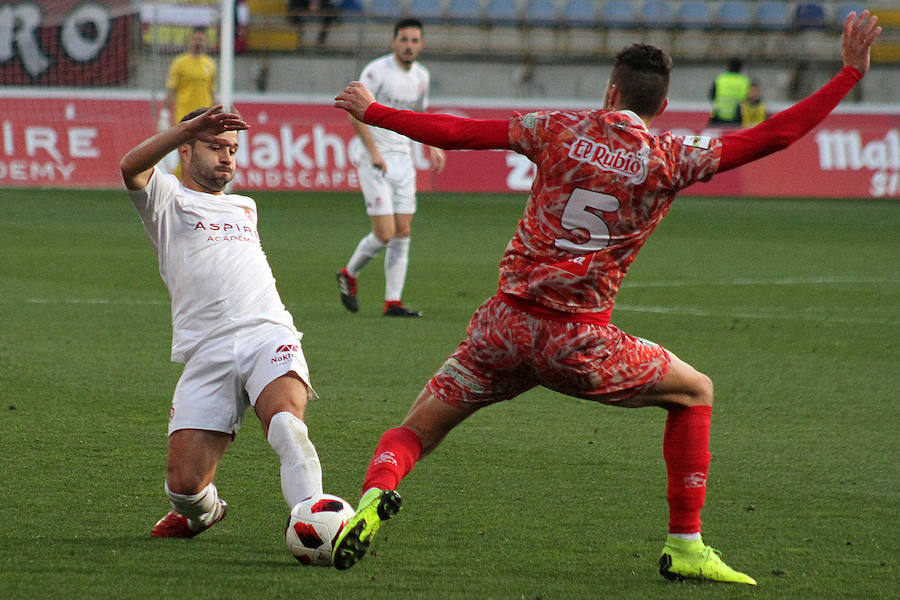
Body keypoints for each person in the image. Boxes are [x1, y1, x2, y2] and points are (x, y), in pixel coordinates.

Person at [330, 11, 881, 583]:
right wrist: (847, 74)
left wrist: (374, 112)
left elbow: (462, 133)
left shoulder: (556, 129)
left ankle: (374, 495)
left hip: (503, 326)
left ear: (610, 90)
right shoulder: (670, 157)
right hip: (579, 341)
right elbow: (774, 136)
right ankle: (686, 544)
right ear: (661, 106)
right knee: (695, 393)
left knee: (415, 432)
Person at [120, 106, 324, 540]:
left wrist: (201, 134)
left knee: (287, 423)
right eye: (215, 147)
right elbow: (130, 167)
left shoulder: (245, 207)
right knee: (185, 488)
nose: (228, 157)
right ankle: (205, 513)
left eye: (232, 149)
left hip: (268, 332)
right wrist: (186, 127)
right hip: (207, 348)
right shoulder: (167, 199)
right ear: (186, 150)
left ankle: (314, 520)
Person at [336, 18, 446, 318]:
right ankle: (349, 273)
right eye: (404, 40)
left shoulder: (421, 76)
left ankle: (393, 302)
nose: (408, 46)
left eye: (414, 41)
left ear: (420, 45)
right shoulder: (376, 71)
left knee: (403, 230)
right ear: (393, 42)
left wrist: (433, 146)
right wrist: (373, 152)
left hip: (403, 159)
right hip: (376, 158)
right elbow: (354, 113)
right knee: (384, 233)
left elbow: (420, 116)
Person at [163, 27, 217, 127]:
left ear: (206, 42)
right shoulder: (179, 62)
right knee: (184, 143)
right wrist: (164, 115)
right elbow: (171, 90)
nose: (198, 43)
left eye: (201, 40)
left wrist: (218, 113)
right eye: (195, 39)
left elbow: (212, 92)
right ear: (189, 41)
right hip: (183, 116)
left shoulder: (210, 64)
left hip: (204, 116)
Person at [708, 57, 750, 126]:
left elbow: (712, 96)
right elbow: (749, 99)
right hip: (738, 117)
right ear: (741, 68)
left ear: (728, 67)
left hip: (719, 116)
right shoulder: (745, 81)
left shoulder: (720, 79)